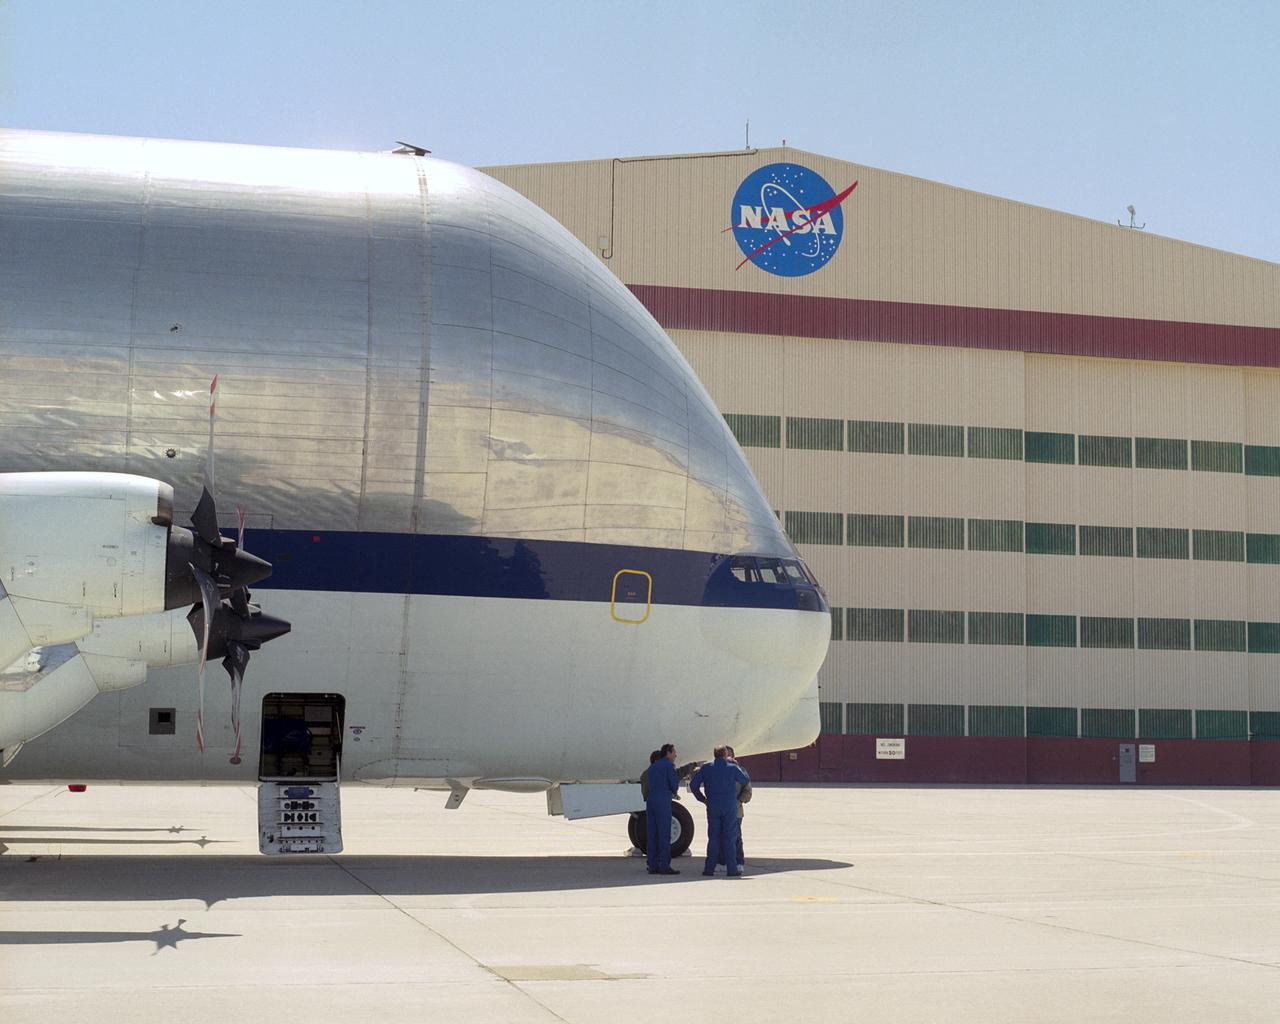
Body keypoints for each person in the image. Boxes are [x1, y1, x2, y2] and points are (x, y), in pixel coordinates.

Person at [690, 744, 750, 877]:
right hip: (729, 806)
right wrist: (737, 765)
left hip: (712, 806)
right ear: (724, 754)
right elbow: (745, 780)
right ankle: (732, 869)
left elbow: (694, 785)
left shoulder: (706, 768)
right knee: (730, 838)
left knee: (713, 837)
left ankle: (709, 869)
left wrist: (702, 799)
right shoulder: (732, 768)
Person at [644, 742, 680, 875]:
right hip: (662, 802)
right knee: (664, 834)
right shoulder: (669, 766)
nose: (675, 755)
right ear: (668, 753)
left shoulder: (652, 767)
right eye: (674, 752)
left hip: (651, 801)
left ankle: (652, 865)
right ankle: (664, 865)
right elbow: (674, 784)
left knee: (652, 834)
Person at [720, 745, 750, 868]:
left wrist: (738, 802)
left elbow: (747, 791)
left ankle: (739, 862)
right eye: (725, 754)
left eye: (730, 754)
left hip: (736, 810)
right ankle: (722, 862)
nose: (728, 756)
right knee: (720, 836)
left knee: (736, 837)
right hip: (720, 809)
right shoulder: (716, 770)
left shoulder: (741, 770)